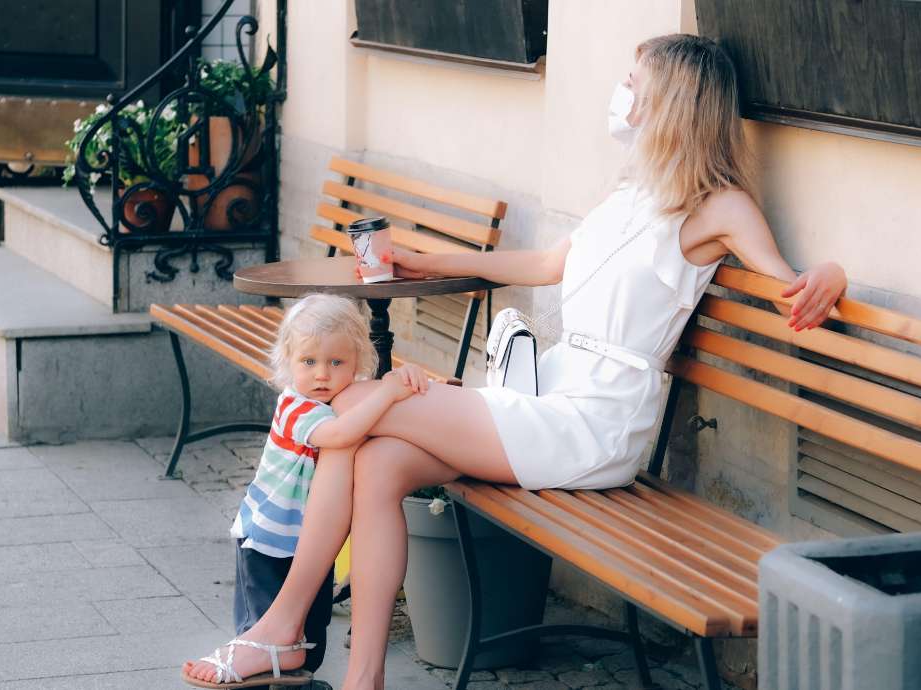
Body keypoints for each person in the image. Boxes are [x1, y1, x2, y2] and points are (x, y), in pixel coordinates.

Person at [184, 33, 848, 690]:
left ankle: (280, 630)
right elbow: (543, 264)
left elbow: (789, 278)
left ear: (672, 102)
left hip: (595, 422)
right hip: (548, 394)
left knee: (354, 402)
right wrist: (428, 260)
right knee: (375, 460)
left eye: (633, 85)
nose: (622, 97)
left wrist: (831, 272)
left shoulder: (717, 205)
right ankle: (363, 678)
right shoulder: (630, 195)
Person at [189, 293, 430, 689]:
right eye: (309, 362)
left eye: (337, 363)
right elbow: (339, 435)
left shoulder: (343, 397)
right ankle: (251, 671)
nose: (322, 374)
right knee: (262, 626)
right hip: (267, 540)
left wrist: (405, 379)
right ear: (288, 361)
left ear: (359, 362)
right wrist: (388, 393)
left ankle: (301, 680)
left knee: (309, 633)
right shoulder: (296, 406)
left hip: (312, 542)